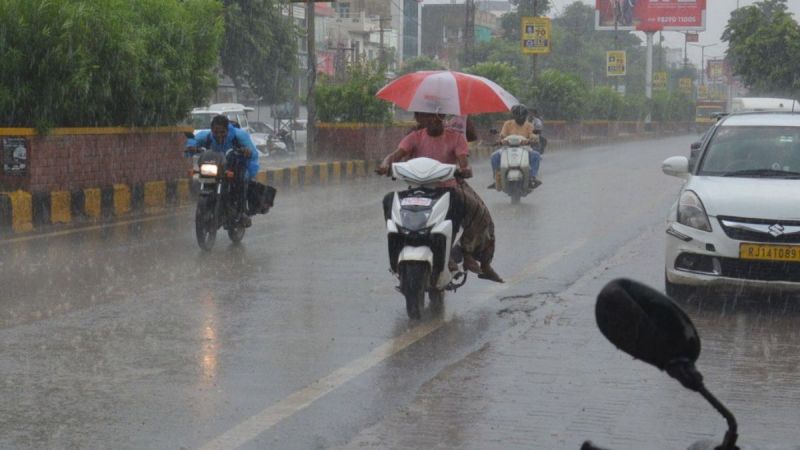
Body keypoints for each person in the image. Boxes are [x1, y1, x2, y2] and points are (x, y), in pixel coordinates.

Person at [377, 111, 503, 283]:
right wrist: (385, 165)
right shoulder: (414, 137)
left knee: (481, 214)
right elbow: (395, 155)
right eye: (429, 116)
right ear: (421, 118)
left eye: (439, 116)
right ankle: (398, 245)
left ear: (444, 118)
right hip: (418, 188)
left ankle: (469, 254)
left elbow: (463, 160)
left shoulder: (456, 137)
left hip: (450, 188)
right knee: (388, 200)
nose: (435, 120)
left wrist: (464, 168)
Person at [185, 114, 260, 225]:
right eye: (216, 132)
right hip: (217, 165)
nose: (219, 135)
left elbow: (253, 152)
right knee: (203, 175)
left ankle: (242, 212)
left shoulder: (239, 136)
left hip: (237, 164)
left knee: (241, 178)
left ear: (227, 129)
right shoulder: (207, 136)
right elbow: (194, 140)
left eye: (222, 132)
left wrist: (246, 151)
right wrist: (191, 146)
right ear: (212, 130)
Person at [488, 104, 542, 190]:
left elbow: (533, 135)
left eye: (522, 115)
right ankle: (497, 178)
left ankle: (532, 177)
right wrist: (500, 141)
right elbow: (502, 135)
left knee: (536, 156)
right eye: (518, 114)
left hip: (525, 148)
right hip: (507, 148)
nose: (520, 117)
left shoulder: (529, 125)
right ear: (514, 115)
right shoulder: (507, 124)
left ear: (525, 115)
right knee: (494, 157)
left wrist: (532, 139)